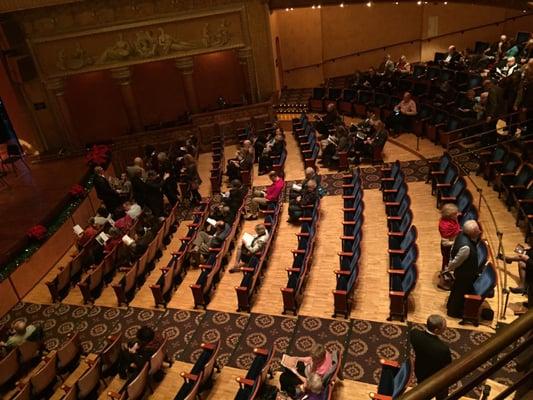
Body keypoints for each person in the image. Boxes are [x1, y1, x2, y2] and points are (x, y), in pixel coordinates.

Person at [409, 315, 452, 400]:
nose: (446, 328)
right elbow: (448, 365)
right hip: (436, 377)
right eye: (444, 327)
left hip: (420, 371)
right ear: (436, 330)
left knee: (422, 392)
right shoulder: (442, 349)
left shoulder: (414, 333)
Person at [445, 220, 481, 318]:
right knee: (459, 293)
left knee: (456, 290)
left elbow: (452, 249)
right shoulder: (466, 247)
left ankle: (450, 306)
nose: (480, 231)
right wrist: (449, 269)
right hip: (464, 274)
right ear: (472, 233)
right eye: (478, 230)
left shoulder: (461, 234)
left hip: (464, 272)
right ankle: (453, 313)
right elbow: (457, 260)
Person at [438, 203, 462, 274]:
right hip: (448, 248)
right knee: (447, 263)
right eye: (455, 214)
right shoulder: (444, 226)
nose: (457, 215)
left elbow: (457, 229)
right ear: (449, 215)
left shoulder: (452, 219)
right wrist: (457, 243)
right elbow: (445, 243)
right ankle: (445, 275)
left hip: (454, 244)